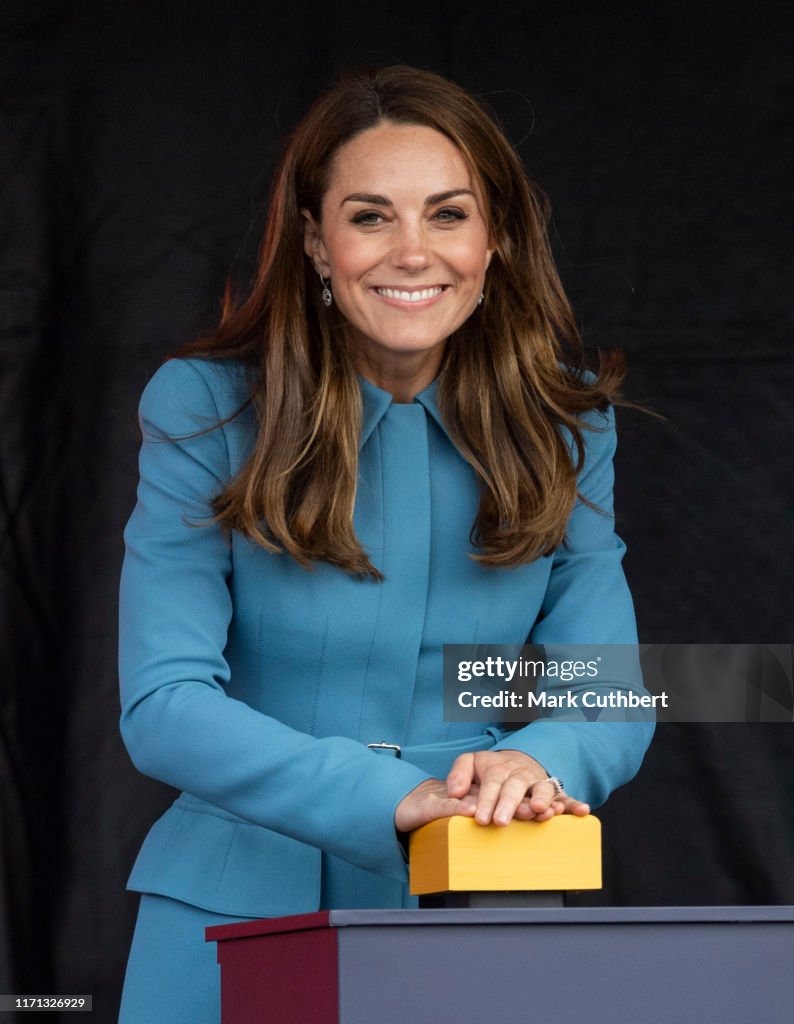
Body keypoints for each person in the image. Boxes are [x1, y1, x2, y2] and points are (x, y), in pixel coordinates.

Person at [118, 64, 653, 1022]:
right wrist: (391, 798)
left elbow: (605, 697)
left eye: (448, 215)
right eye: (370, 217)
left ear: (494, 244)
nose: (414, 252)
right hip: (230, 921)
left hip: (487, 904)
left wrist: (545, 763)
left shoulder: (567, 424)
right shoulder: (202, 410)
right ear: (317, 246)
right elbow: (163, 703)